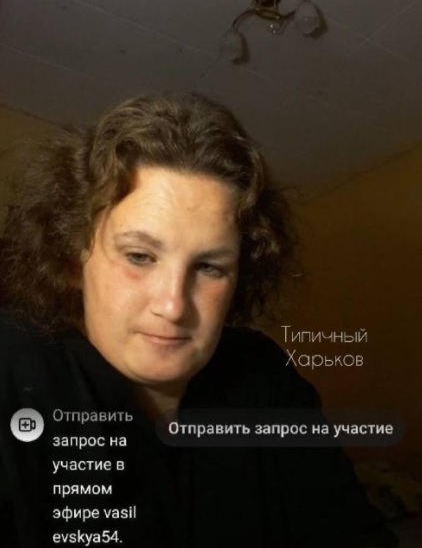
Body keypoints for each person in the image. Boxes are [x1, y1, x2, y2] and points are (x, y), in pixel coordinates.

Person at [0, 93, 397, 547]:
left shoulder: (266, 379)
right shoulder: (13, 365)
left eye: (209, 267)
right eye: (139, 256)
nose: (173, 306)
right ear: (73, 257)